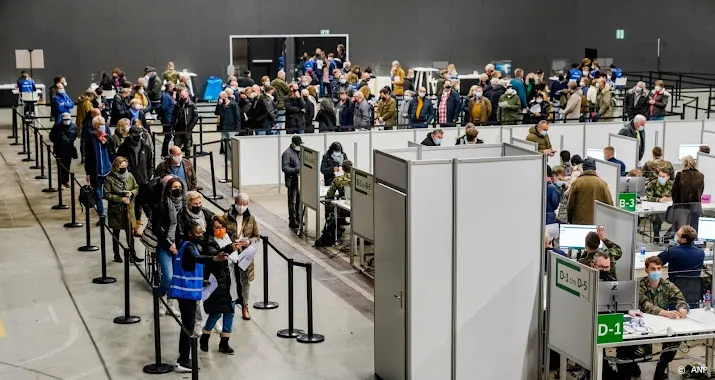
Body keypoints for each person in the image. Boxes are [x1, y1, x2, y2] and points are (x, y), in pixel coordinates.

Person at [169, 220, 228, 372]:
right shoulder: (189, 247)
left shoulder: (186, 245)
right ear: (190, 233)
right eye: (198, 232)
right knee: (187, 326)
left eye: (202, 232)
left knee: (188, 325)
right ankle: (183, 360)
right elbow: (196, 258)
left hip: (188, 292)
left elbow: (189, 267)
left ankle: (183, 358)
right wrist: (214, 258)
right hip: (186, 294)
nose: (201, 234)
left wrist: (202, 280)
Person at [639, 256, 688, 380]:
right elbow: (645, 305)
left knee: (675, 340)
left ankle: (661, 367)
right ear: (646, 270)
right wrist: (666, 313)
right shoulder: (640, 285)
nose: (656, 271)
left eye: (658, 268)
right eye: (653, 269)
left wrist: (682, 308)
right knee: (636, 351)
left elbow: (680, 299)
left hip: (662, 323)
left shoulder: (667, 285)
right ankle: (634, 369)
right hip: (643, 324)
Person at [200, 215, 242, 354]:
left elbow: (235, 257)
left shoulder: (229, 237)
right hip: (217, 281)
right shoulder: (209, 242)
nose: (220, 230)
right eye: (217, 228)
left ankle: (224, 342)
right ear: (211, 229)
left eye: (222, 227)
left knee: (230, 311)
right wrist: (230, 248)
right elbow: (215, 255)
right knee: (217, 312)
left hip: (232, 279)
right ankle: (205, 336)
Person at [223, 193, 260, 321]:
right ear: (235, 202)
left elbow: (256, 235)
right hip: (231, 252)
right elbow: (221, 233)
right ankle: (229, 305)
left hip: (245, 254)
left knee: (245, 281)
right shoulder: (226, 217)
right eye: (240, 204)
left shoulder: (251, 218)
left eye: (245, 204)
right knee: (230, 279)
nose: (242, 207)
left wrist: (249, 241)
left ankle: (245, 306)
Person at [103, 156, 141, 263]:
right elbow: (106, 194)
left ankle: (133, 254)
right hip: (116, 210)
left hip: (129, 209)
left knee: (130, 233)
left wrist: (132, 193)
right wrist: (120, 199)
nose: (124, 168)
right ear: (116, 167)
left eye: (125, 166)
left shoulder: (129, 176)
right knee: (116, 232)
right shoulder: (109, 179)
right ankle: (117, 254)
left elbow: (136, 187)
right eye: (121, 166)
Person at [116, 126, 153, 237]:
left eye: (140, 135)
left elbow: (150, 163)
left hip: (142, 181)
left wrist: (148, 176)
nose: (138, 138)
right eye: (136, 136)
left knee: (139, 206)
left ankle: (136, 227)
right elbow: (117, 162)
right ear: (130, 135)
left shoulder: (145, 147)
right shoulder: (124, 147)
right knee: (129, 205)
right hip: (128, 181)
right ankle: (129, 225)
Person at [568, 158, 613, 224]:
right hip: (598, 222)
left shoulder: (577, 183)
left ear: (583, 168)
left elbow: (571, 204)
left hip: (579, 222)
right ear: (595, 169)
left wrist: (570, 219)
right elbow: (609, 204)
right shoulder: (602, 183)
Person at [84, 116, 112, 217]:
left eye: (103, 124)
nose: (103, 127)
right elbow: (88, 156)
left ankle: (111, 211)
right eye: (100, 125)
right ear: (95, 127)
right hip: (96, 171)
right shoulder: (90, 139)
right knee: (98, 192)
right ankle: (101, 212)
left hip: (107, 169)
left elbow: (111, 152)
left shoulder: (107, 137)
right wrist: (87, 172)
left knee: (110, 191)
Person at [672, 156, 705, 231]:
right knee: (695, 229)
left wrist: (675, 205)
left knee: (682, 230)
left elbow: (675, 193)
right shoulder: (700, 175)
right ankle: (695, 242)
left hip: (682, 207)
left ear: (684, 164)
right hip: (696, 207)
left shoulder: (680, 175)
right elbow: (701, 191)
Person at [49, 112, 78, 188]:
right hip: (59, 150)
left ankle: (66, 181)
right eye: (65, 119)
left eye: (68, 119)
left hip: (69, 150)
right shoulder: (57, 127)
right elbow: (51, 137)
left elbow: (76, 137)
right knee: (60, 166)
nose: (66, 121)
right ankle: (61, 182)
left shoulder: (74, 127)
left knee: (67, 166)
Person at [282, 136, 302, 230]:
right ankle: (292, 220)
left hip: (299, 180)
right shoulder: (287, 153)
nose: (299, 146)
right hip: (292, 180)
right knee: (292, 201)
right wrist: (296, 170)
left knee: (299, 200)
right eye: (297, 144)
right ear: (293, 144)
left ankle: (299, 218)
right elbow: (285, 168)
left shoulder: (300, 152)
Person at [171, 89, 199, 156]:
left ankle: (187, 161)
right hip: (178, 129)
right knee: (177, 146)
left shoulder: (192, 105)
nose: (182, 97)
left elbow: (195, 117)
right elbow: (174, 116)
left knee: (187, 147)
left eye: (183, 96)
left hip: (187, 129)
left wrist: (190, 127)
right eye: (181, 96)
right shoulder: (177, 105)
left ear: (187, 96)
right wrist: (172, 126)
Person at [215, 91, 241, 159]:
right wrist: (219, 105)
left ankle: (234, 159)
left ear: (225, 96)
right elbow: (217, 113)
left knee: (231, 144)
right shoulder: (221, 104)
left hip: (231, 127)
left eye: (221, 97)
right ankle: (228, 159)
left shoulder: (233, 104)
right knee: (225, 144)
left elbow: (237, 116)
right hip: (223, 127)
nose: (220, 98)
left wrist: (238, 128)